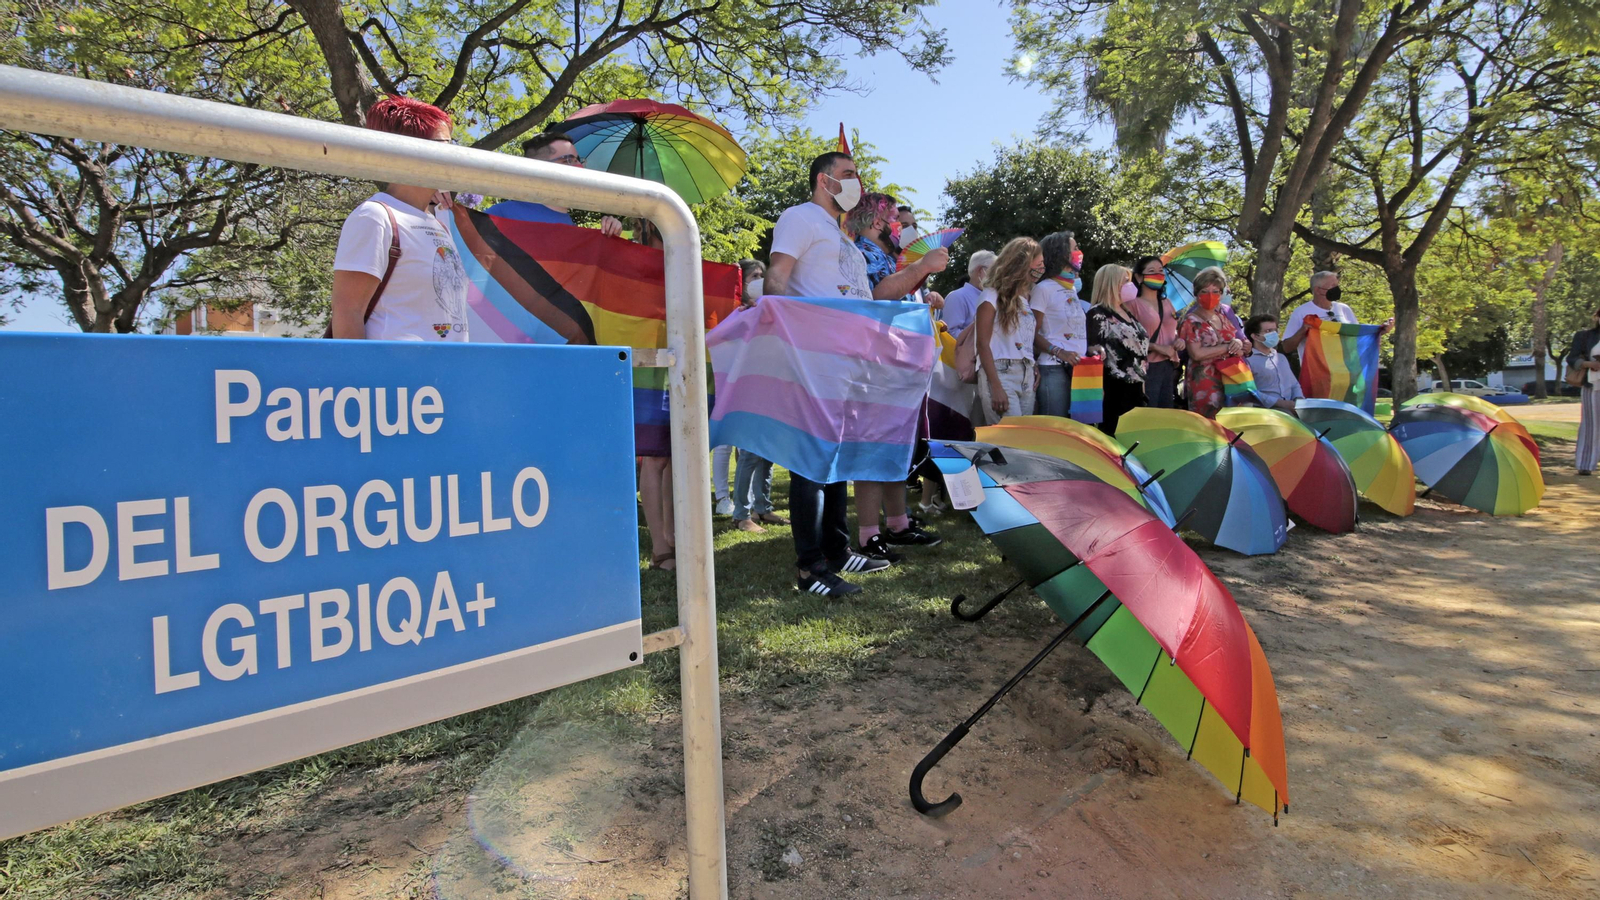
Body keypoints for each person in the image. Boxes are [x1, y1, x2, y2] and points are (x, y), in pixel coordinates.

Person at [764, 152, 893, 596]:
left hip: (847, 361)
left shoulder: (840, 235)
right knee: (812, 464)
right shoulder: (799, 217)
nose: (857, 182)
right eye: (849, 175)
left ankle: (837, 552)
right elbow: (777, 277)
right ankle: (809, 567)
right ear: (825, 181)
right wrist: (782, 338)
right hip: (814, 358)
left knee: (838, 460)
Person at [847, 192, 945, 560]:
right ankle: (869, 534)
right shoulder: (862, 252)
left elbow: (899, 294)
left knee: (895, 444)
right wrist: (922, 268)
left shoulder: (886, 256)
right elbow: (877, 295)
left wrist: (924, 291)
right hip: (877, 362)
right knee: (873, 446)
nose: (904, 229)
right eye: (898, 222)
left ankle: (898, 523)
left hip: (897, 362)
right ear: (877, 222)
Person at [331, 96, 470, 342]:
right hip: (395, 378)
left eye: (452, 144)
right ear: (405, 152)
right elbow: (347, 313)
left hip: (445, 375)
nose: (454, 155)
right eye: (441, 145)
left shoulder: (436, 222)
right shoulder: (375, 217)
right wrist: (359, 378)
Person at [485, 132, 623, 236]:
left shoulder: (570, 225)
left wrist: (610, 238)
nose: (580, 167)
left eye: (579, 160)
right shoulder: (502, 215)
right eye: (568, 160)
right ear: (539, 168)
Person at [976, 238, 1043, 426]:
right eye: (1038, 264)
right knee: (1008, 442)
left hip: (1026, 375)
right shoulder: (990, 295)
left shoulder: (1024, 299)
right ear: (1021, 264)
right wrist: (995, 386)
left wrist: (1032, 364)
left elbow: (1023, 338)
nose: (1041, 269)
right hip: (1000, 373)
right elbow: (982, 344)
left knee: (1022, 442)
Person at [1085, 264, 1149, 434]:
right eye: (1125, 281)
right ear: (1112, 284)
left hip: (1136, 386)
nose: (1130, 285)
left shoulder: (1128, 313)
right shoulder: (1098, 313)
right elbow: (1093, 348)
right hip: (1113, 387)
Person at [1030, 231, 1086, 417]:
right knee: (1055, 431)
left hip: (1079, 372)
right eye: (1075, 248)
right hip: (1053, 371)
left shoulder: (1071, 290)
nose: (1079, 252)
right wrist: (1059, 352)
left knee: (1078, 430)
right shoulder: (1043, 289)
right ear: (1061, 254)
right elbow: (1030, 333)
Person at [1281, 270, 1393, 363]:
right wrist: (1303, 330)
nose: (1337, 289)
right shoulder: (1301, 312)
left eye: (1337, 285)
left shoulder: (1344, 309)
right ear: (1318, 290)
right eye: (1333, 286)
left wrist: (1380, 330)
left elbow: (1357, 335)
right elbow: (1287, 347)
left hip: (1345, 373)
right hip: (1318, 375)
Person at [1178, 267, 1245, 419]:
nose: (1211, 296)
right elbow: (1196, 353)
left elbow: (1236, 344)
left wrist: (1238, 344)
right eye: (1204, 291)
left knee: (1231, 423)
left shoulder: (1223, 317)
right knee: (1209, 424)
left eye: (1216, 291)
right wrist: (1227, 347)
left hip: (1230, 379)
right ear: (1196, 294)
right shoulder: (1191, 320)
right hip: (1205, 382)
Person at [1126, 255, 1184, 407]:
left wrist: (1179, 340)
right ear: (1139, 277)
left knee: (1165, 413)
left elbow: (1171, 330)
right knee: (1148, 412)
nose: (1158, 275)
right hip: (1147, 366)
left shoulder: (1167, 302)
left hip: (1169, 365)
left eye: (1160, 271)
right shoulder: (1131, 304)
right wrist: (1156, 347)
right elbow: (1126, 339)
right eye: (1151, 271)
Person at [1245, 314, 1303, 413]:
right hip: (1266, 412)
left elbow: (1294, 384)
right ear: (1255, 336)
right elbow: (1249, 391)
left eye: (1275, 330)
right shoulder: (1247, 361)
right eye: (1268, 331)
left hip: (1293, 410)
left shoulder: (1281, 358)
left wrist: (1299, 400)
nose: (1274, 334)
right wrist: (1280, 403)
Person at [1566, 307, 1600, 475]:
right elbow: (1572, 358)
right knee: (1590, 425)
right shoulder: (1585, 336)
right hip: (1592, 385)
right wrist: (1588, 364)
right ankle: (1585, 464)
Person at [942, 250, 994, 337]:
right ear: (980, 270)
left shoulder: (991, 298)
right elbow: (949, 333)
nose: (996, 277)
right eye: (993, 271)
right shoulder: (957, 297)